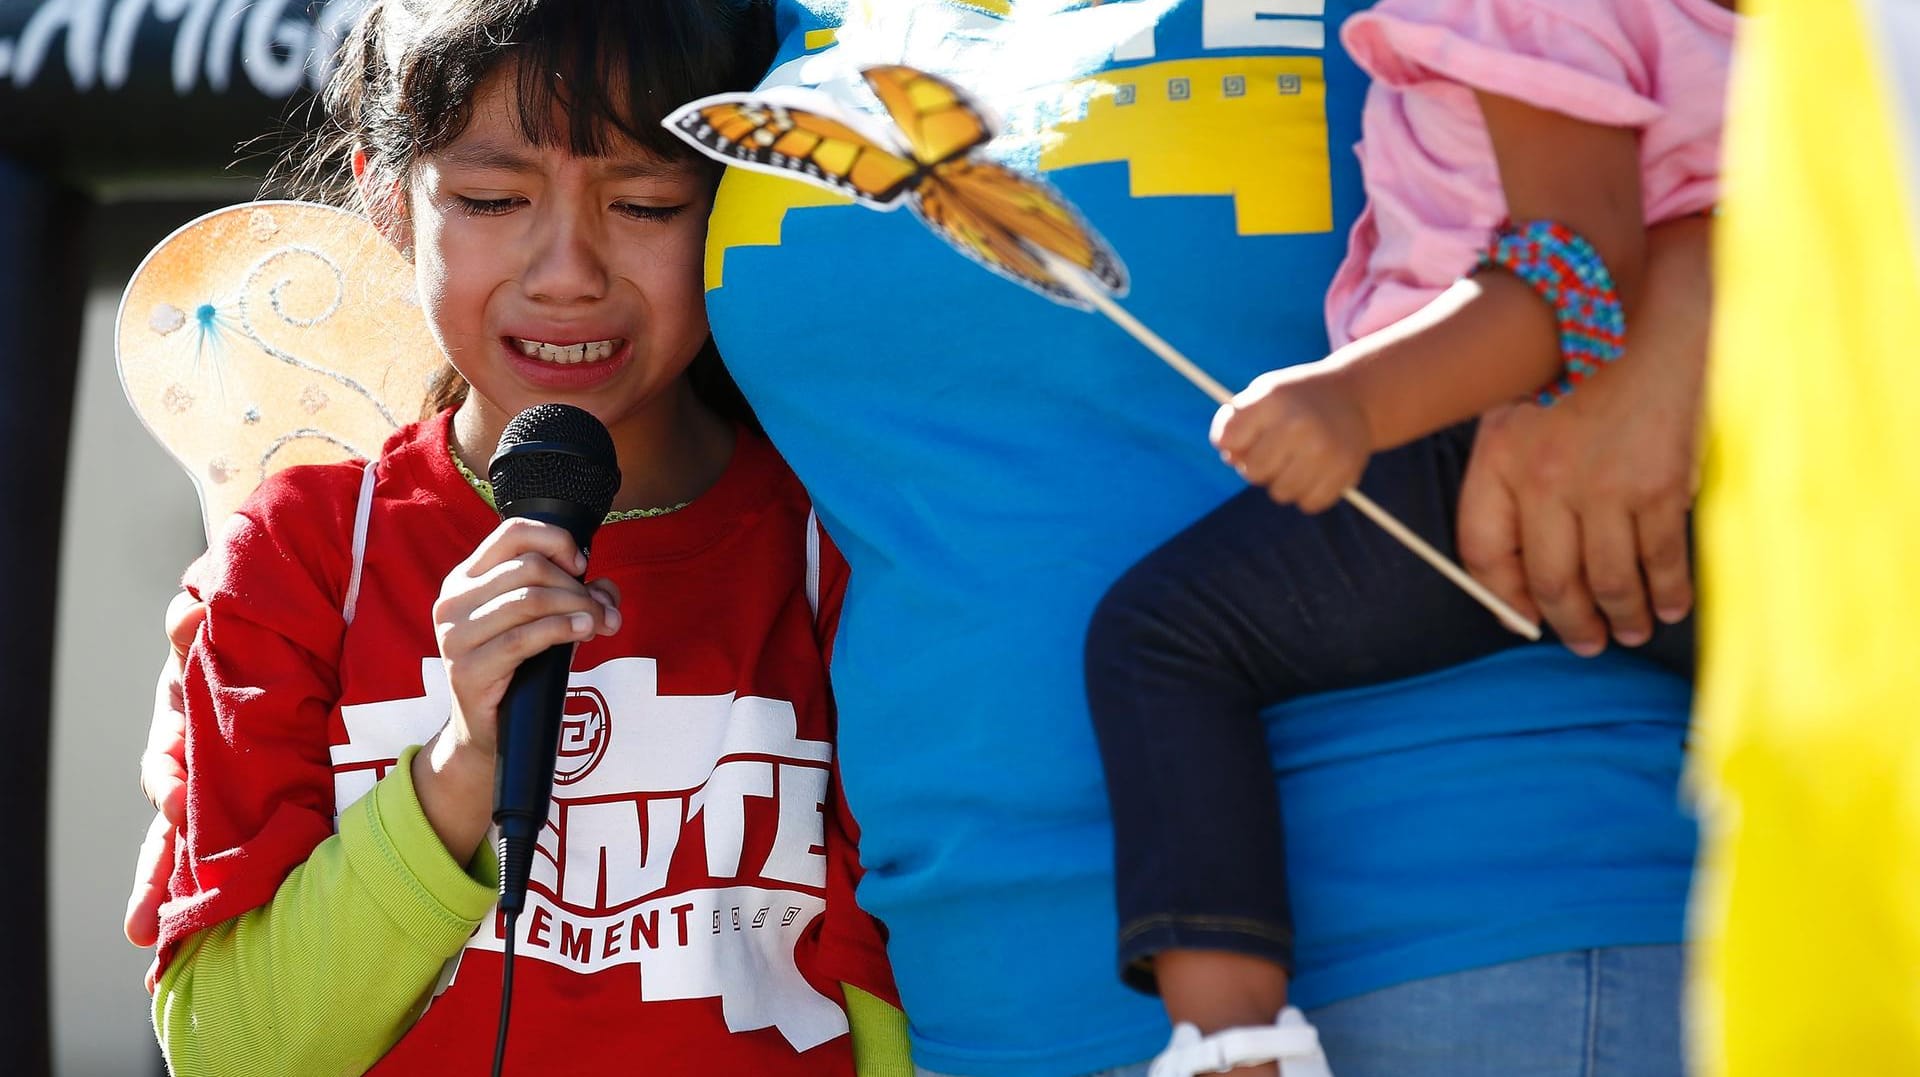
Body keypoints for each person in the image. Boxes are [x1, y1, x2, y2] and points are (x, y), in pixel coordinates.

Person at [131, 2, 1715, 1075]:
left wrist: (1686, 324)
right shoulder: (758, 15)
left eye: (649, 205)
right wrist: (329, 628)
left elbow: (1783, 120)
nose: (576, 260)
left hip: (1483, 926)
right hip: (988, 1002)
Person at [140, 1, 903, 1074]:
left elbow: (906, 1004)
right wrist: (459, 770)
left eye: (646, 201)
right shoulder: (299, 560)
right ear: (387, 196)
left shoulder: (850, 550)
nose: (566, 272)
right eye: (493, 198)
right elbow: (232, 1050)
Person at [1079, 1, 1732, 1068]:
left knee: (1167, 637)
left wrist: (1355, 401)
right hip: (1742, 475)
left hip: (1480, 438)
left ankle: (1234, 1041)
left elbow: (1574, 275)